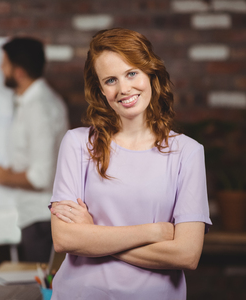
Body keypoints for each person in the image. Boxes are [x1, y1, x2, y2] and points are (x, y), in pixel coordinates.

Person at [49, 28, 212, 299]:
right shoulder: (78, 144)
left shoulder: (188, 152)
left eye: (132, 73)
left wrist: (92, 236)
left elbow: (187, 254)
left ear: (150, 73)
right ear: (100, 90)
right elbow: (64, 240)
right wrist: (156, 231)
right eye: (110, 80)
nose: (124, 89)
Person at [0, 37, 69, 262]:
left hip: (41, 221)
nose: (0, 68)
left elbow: (41, 177)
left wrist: (3, 177)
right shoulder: (30, 103)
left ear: (19, 72)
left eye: (4, 63)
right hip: (36, 219)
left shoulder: (39, 108)